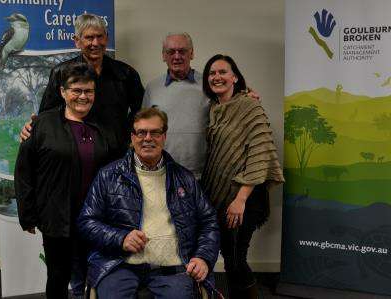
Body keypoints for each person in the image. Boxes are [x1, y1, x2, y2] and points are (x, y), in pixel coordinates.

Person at [77, 107, 220, 299]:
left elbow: (209, 222)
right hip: (119, 264)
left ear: (164, 136)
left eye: (155, 132)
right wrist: (121, 238)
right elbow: (86, 222)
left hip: (173, 266)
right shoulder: (108, 176)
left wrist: (203, 257)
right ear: (132, 137)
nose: (147, 138)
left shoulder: (185, 178)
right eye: (141, 132)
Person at [14, 62, 118, 299]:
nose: (83, 96)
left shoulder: (105, 127)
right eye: (76, 90)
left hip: (96, 218)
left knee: (96, 275)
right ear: (62, 92)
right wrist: (28, 214)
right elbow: (24, 172)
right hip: (57, 217)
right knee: (58, 276)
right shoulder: (41, 124)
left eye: (88, 91)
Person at [201, 54, 285, 299]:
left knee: (236, 260)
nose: (217, 77)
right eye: (212, 73)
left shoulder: (250, 106)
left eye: (223, 72)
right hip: (220, 195)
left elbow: (261, 151)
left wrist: (240, 199)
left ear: (235, 77)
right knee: (229, 257)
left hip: (245, 197)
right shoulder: (213, 109)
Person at [20, 13, 144, 156]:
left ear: (107, 38)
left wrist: (127, 137)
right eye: (89, 38)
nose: (96, 43)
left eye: (100, 36)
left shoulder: (126, 74)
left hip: (116, 155)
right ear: (77, 41)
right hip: (75, 155)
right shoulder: (61, 73)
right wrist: (32, 127)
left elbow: (140, 112)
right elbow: (48, 114)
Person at [143, 32, 259, 178]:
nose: (177, 56)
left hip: (203, 175)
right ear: (163, 56)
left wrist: (246, 95)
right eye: (171, 52)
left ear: (191, 53)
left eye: (182, 51)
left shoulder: (209, 83)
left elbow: (230, 102)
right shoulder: (152, 87)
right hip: (163, 173)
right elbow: (144, 129)